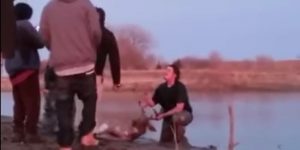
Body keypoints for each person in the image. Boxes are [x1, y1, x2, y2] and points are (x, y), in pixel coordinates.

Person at [40, 0, 102, 149]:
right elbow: (96, 33)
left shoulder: (49, 8)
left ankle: (65, 144)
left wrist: (57, 49)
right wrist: (90, 47)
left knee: (63, 107)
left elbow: (44, 36)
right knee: (90, 100)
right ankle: (86, 135)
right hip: (85, 63)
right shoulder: (86, 5)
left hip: (61, 66)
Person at [4, 2, 44, 143]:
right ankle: (31, 133)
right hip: (27, 69)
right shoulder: (25, 25)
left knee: (18, 102)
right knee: (33, 103)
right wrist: (38, 31)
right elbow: (40, 42)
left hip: (12, 71)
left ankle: (18, 132)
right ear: (28, 15)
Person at [139, 64, 193, 144]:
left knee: (176, 118)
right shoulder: (161, 88)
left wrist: (162, 115)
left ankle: (181, 139)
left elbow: (179, 108)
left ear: (175, 75)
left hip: (184, 114)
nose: (166, 72)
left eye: (168, 71)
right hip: (168, 116)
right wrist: (146, 101)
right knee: (164, 143)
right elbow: (155, 104)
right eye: (166, 70)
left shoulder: (180, 87)